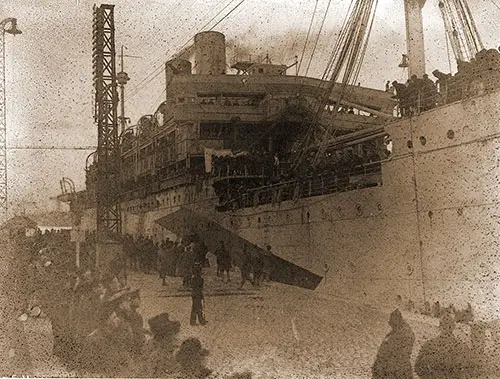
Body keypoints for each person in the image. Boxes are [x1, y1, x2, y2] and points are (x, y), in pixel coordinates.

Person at [415, 311, 480, 379]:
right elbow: (471, 369)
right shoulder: (461, 346)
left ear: (440, 327)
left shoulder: (429, 345)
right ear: (453, 327)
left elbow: (418, 367)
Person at [372, 309, 415, 379]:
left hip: (395, 369)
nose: (391, 325)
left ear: (397, 320)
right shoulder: (397, 331)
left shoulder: (403, 333)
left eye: (392, 323)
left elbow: (396, 353)